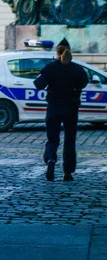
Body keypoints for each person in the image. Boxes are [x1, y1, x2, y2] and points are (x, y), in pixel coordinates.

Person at [34, 38, 88, 182]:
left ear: (56, 53)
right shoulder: (77, 69)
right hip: (71, 108)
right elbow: (84, 82)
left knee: (52, 139)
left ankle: (51, 159)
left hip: (54, 107)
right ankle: (67, 172)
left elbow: (38, 84)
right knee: (70, 141)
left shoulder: (50, 67)